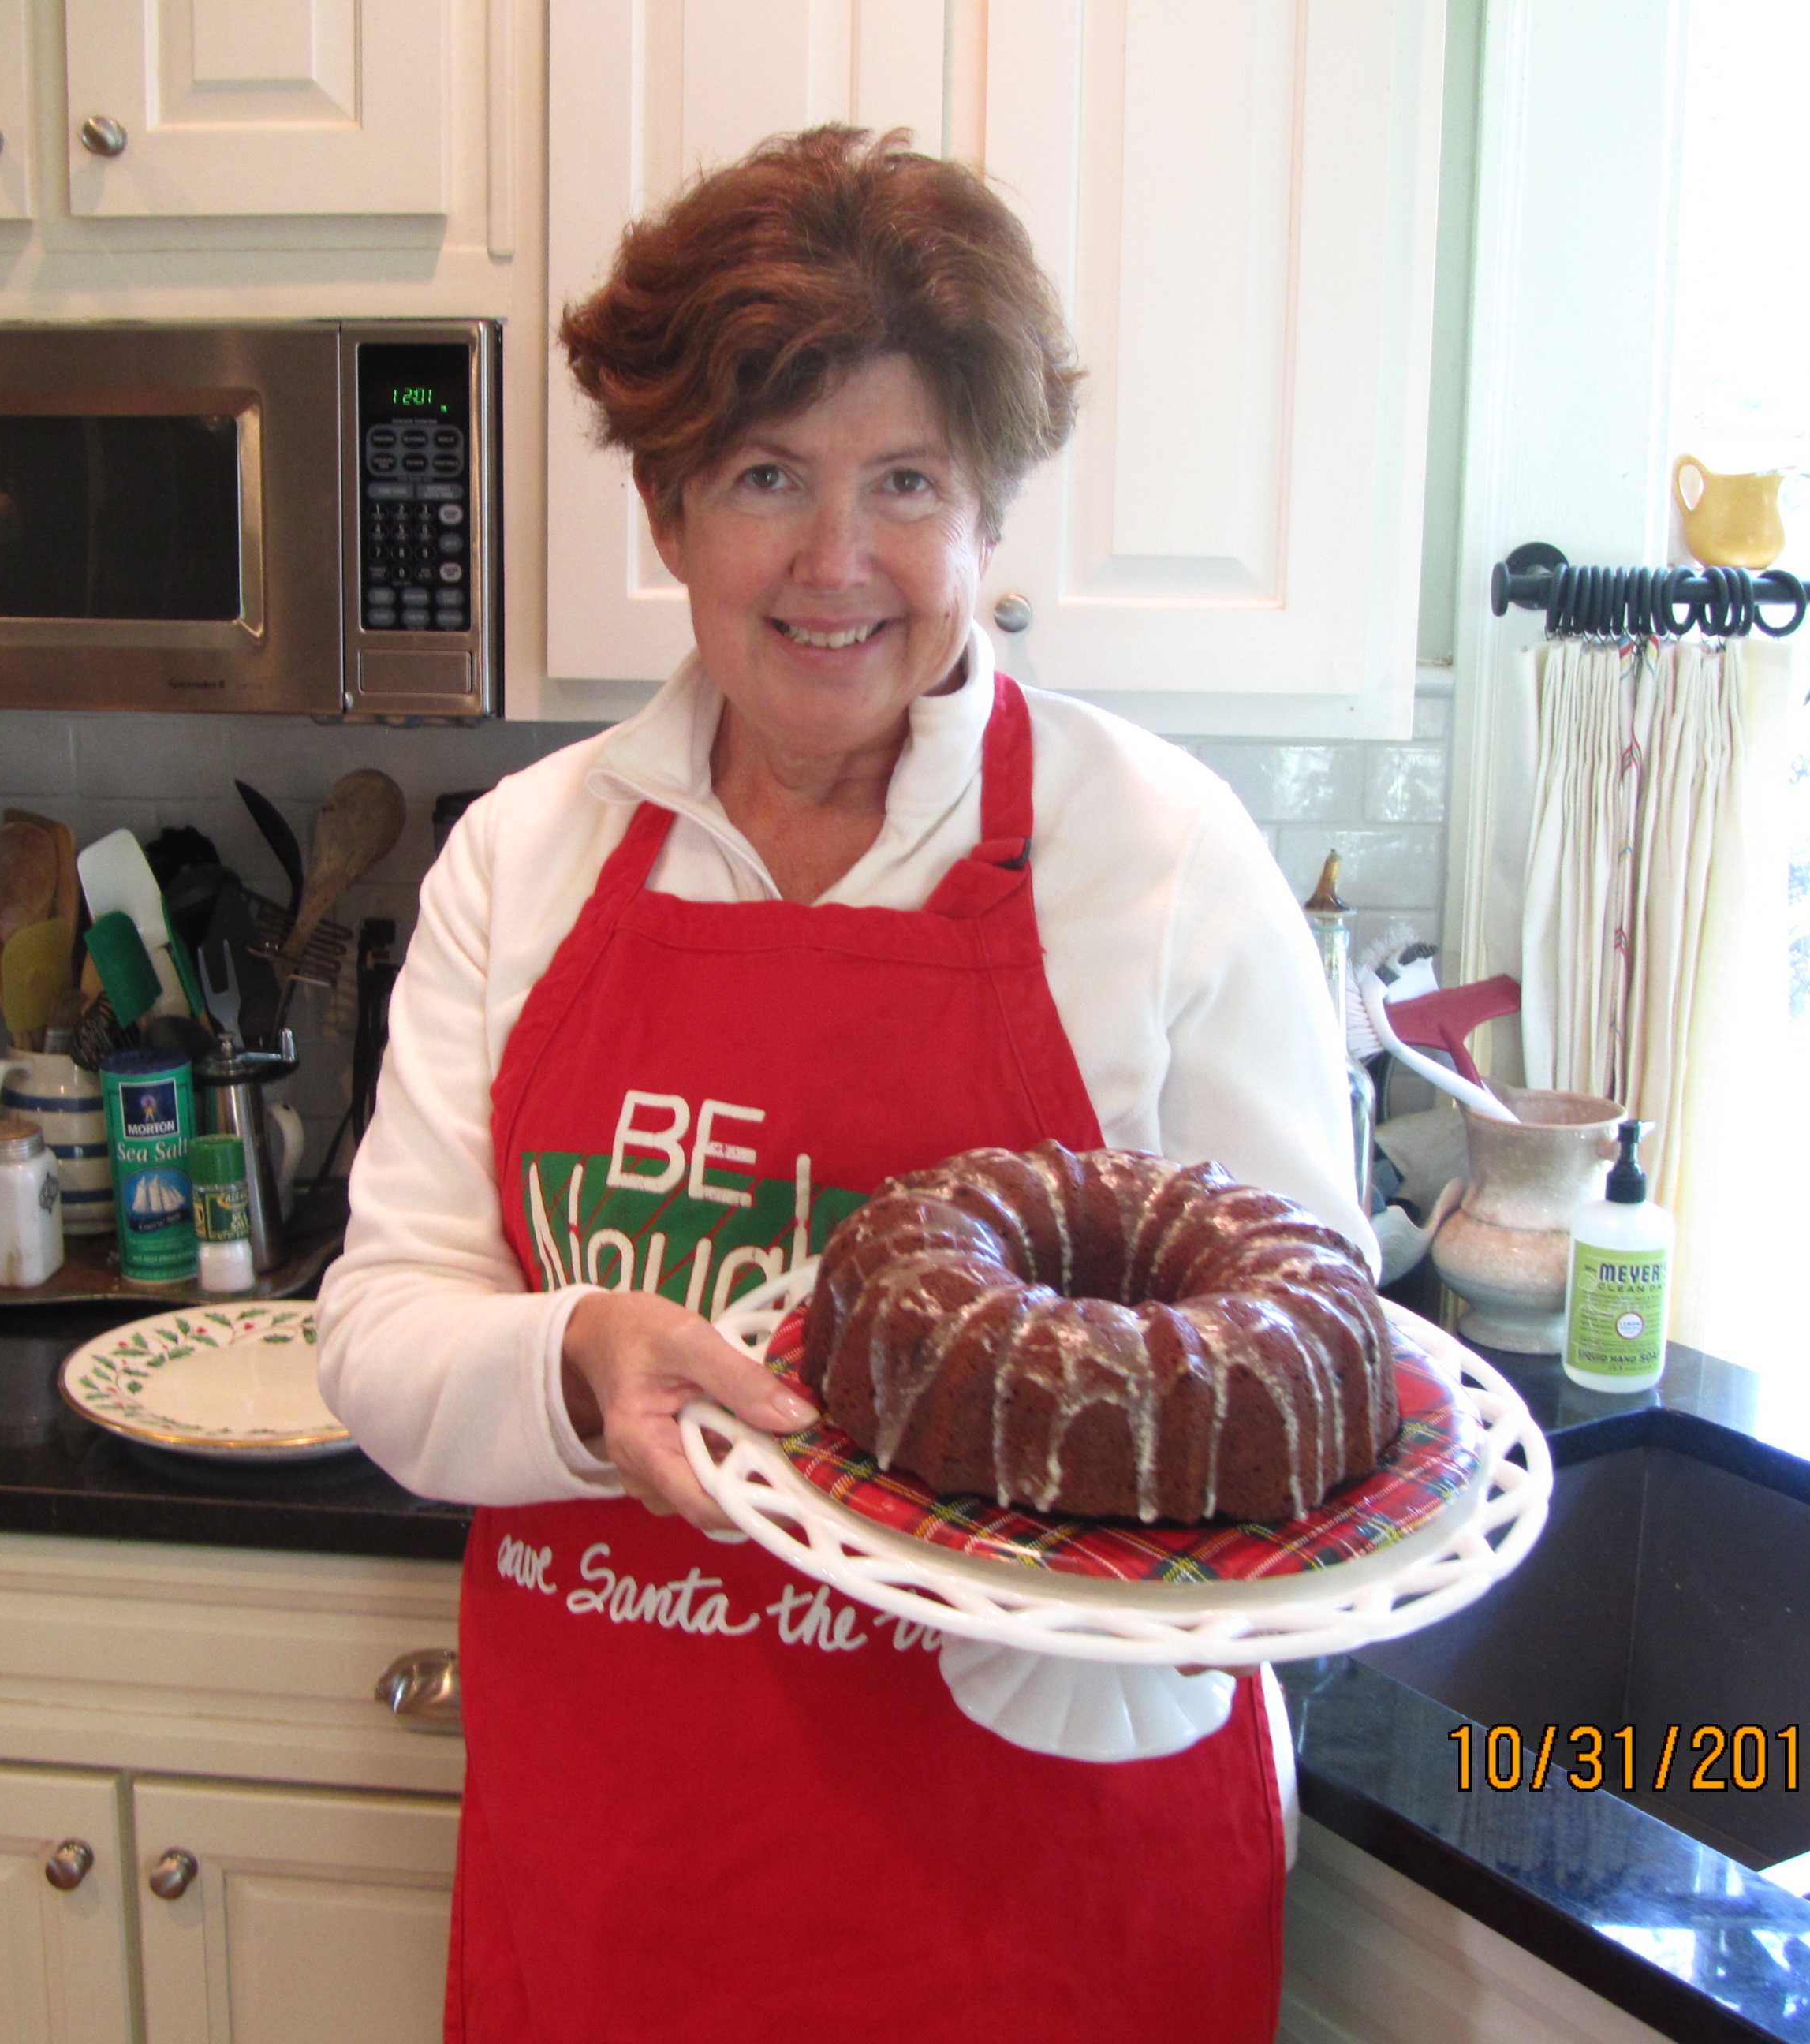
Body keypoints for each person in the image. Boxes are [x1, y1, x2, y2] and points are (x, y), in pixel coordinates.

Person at [317, 125, 1369, 2044]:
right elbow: (383, 1333)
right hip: (629, 1875)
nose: (836, 563)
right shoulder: (527, 856)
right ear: (668, 515)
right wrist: (578, 1362)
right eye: (766, 478)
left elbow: (1307, 1383)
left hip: (1052, 1886)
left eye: (906, 482)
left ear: (989, 518)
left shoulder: (1159, 859)